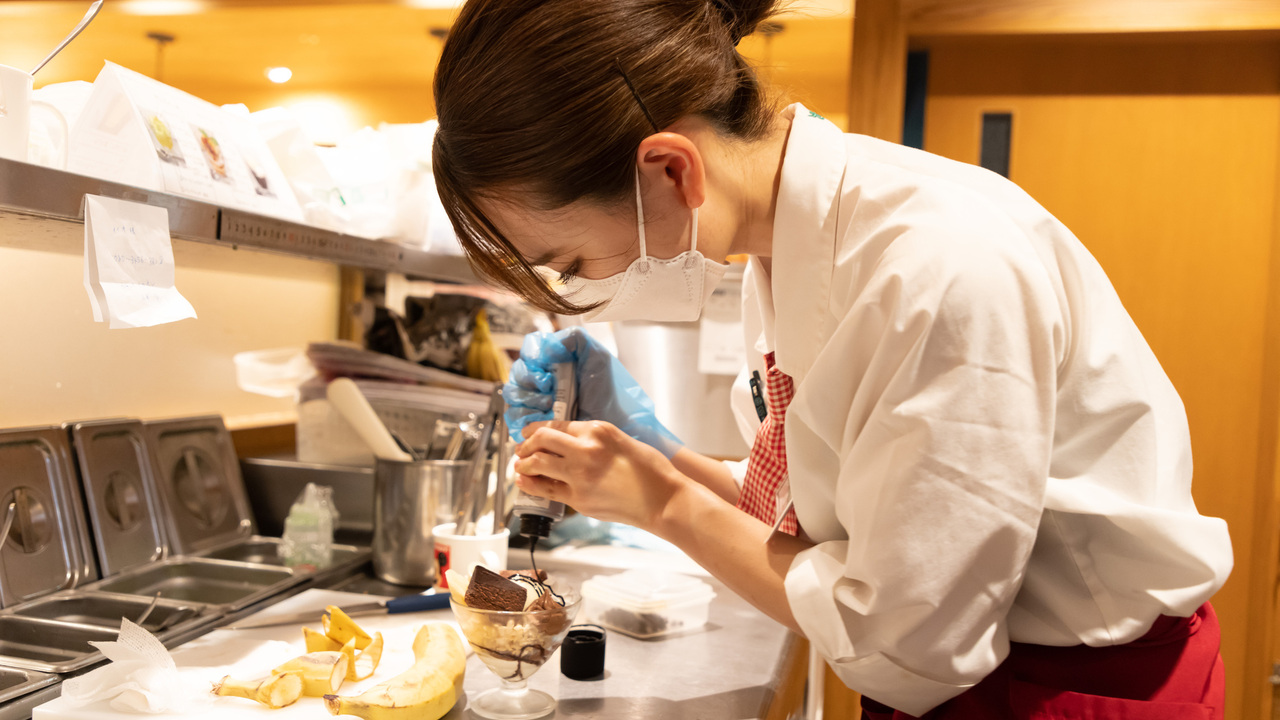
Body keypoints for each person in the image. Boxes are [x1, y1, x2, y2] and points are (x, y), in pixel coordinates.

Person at [429, 0, 1235, 717]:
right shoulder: (784, 243)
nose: (582, 285)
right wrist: (657, 457)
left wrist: (665, 504)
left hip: (1070, 686)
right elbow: (828, 514)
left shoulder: (936, 267)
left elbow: (909, 644)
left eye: (569, 261)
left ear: (672, 170)